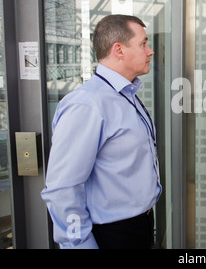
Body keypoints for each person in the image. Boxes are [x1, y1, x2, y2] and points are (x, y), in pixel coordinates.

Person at [41, 14, 161, 249]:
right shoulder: (88, 104)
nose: (150, 51)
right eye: (143, 44)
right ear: (119, 50)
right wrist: (80, 243)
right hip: (111, 234)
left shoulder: (125, 96)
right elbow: (63, 187)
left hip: (139, 224)